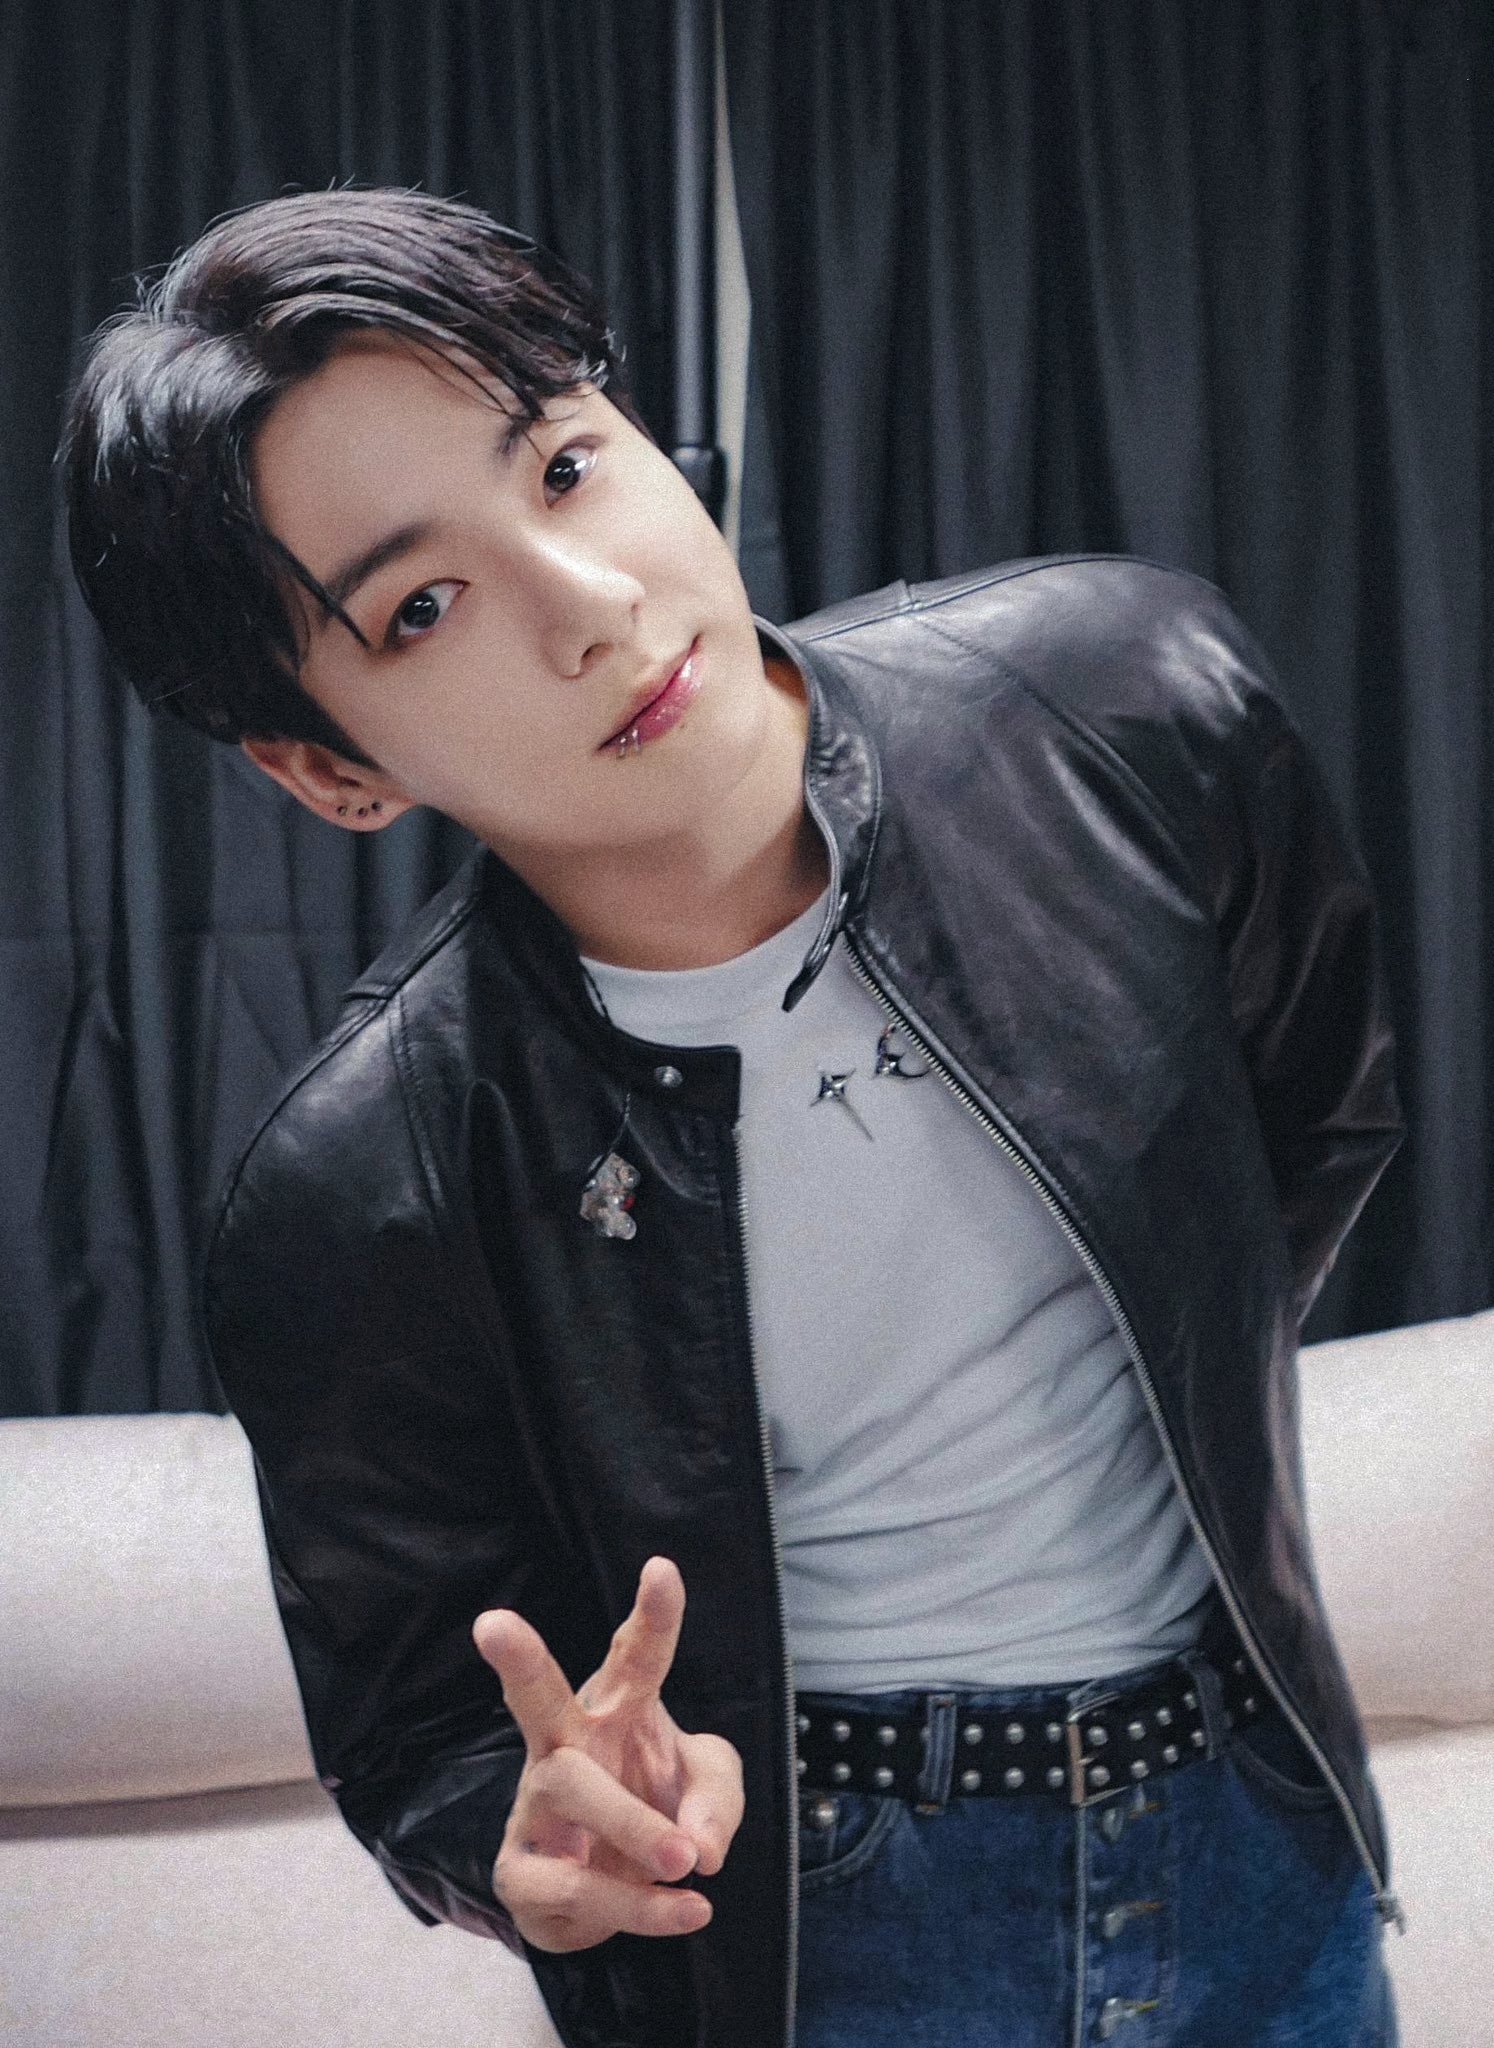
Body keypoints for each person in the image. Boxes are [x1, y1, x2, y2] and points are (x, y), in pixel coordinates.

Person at [62, 188, 1406, 2048]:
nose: (590, 607)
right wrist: (528, 1839)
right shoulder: (356, 1181)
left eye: (561, 465)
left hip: (1264, 1825)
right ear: (326, 767)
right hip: (815, 1917)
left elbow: (1311, 1128)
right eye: (424, 607)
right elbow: (420, 1728)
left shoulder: (1123, 699)